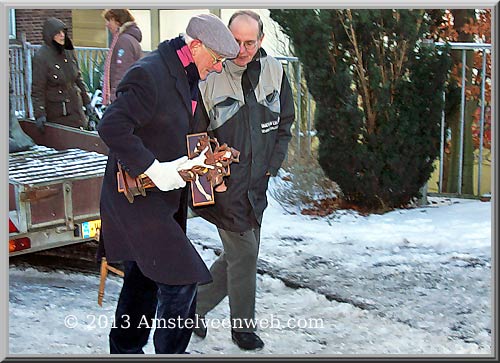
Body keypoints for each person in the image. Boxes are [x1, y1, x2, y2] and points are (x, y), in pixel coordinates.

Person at [97, 14, 239, 354]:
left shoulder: (185, 74)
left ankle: (125, 349)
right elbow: (111, 127)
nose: (218, 68)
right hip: (135, 202)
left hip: (161, 202)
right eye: (217, 60)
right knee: (182, 278)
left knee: (143, 280)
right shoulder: (150, 74)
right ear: (195, 46)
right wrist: (154, 168)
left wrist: (202, 161)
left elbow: (168, 129)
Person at [192, 10, 295, 350]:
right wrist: (204, 189)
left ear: (261, 40)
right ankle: (243, 328)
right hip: (224, 188)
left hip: (257, 186)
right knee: (246, 252)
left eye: (250, 42)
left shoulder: (275, 71)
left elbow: (285, 124)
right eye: (236, 41)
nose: (243, 49)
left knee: (238, 257)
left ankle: (193, 307)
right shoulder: (209, 77)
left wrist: (271, 167)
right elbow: (194, 139)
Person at [32, 17, 94, 132]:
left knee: (80, 140)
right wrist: (40, 113)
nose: (62, 36)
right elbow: (38, 88)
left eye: (63, 32)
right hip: (57, 111)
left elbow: (78, 78)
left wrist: (87, 101)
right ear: (50, 35)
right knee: (64, 143)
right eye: (58, 33)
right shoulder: (42, 57)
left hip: (75, 108)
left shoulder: (68, 50)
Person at [101, 9, 142, 106]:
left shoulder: (124, 41)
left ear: (117, 21)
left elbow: (121, 71)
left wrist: (115, 98)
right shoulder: (128, 39)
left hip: (124, 99)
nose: (107, 24)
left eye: (109, 20)